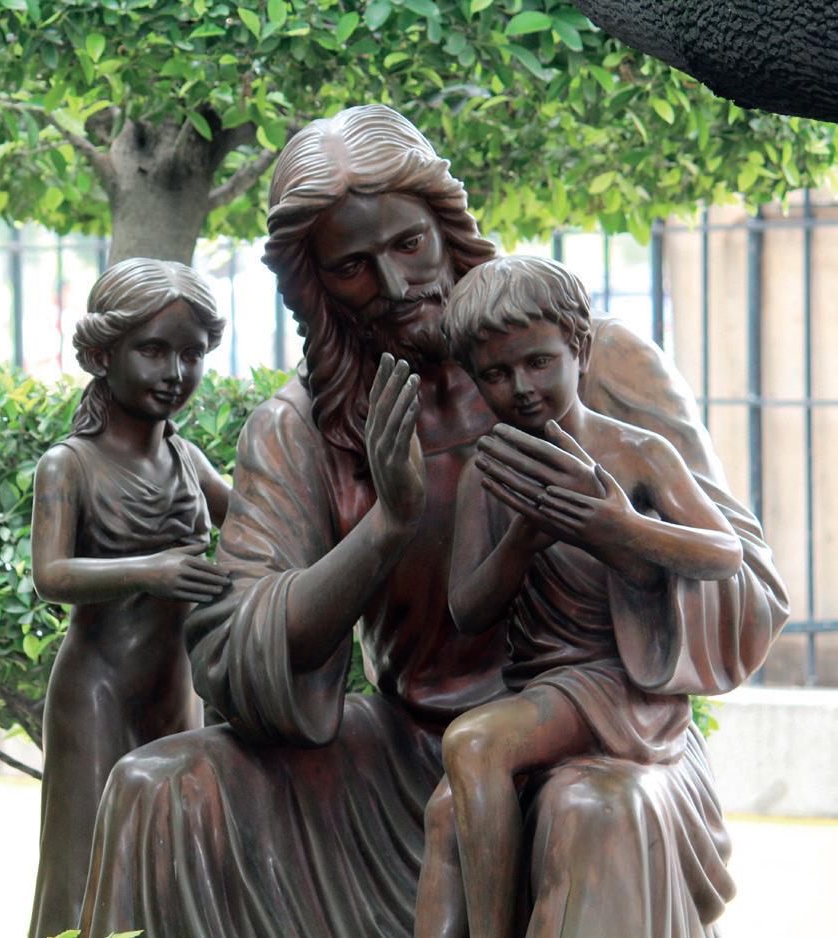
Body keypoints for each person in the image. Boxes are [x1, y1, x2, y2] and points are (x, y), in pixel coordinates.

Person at [77, 105, 788, 938]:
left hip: (605, 740)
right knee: (161, 787)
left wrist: (617, 535)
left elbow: (748, 591)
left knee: (592, 811)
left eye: (408, 243)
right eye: (351, 266)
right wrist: (385, 527)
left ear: (447, 227)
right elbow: (237, 653)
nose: (392, 283)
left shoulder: (596, 362)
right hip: (404, 751)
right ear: (315, 284)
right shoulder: (301, 427)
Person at [416, 255, 744, 938]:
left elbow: (723, 552)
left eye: (538, 362)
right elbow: (468, 611)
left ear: (580, 349)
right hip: (543, 688)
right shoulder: (489, 472)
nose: (521, 388)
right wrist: (520, 541)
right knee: (447, 810)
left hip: (620, 688)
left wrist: (619, 527)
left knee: (473, 744)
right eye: (495, 374)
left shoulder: (638, 453)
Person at [27, 258, 231, 938]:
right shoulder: (69, 465)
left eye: (191, 354)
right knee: (86, 867)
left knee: (172, 857)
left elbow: (256, 520)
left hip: (174, 689)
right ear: (100, 355)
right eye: (153, 350)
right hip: (98, 692)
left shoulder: (188, 460)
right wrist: (150, 571)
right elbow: (51, 575)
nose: (175, 372)